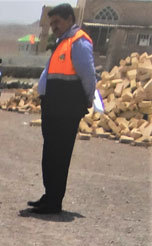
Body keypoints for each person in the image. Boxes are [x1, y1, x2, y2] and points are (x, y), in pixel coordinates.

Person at [29, 3, 95, 214]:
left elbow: (88, 75)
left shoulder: (78, 42)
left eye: (57, 22)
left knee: (59, 155)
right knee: (50, 154)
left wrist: (88, 99)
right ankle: (49, 195)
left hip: (67, 109)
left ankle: (54, 201)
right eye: (51, 23)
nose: (54, 27)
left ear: (69, 19)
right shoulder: (62, 43)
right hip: (53, 106)